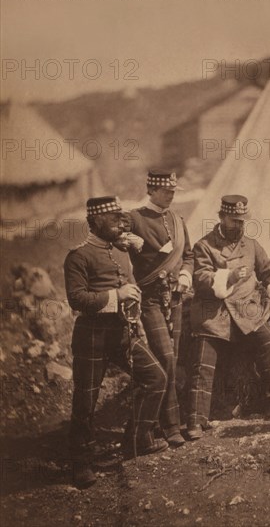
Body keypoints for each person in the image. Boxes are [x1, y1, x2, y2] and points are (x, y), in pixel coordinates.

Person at [64, 196, 168, 489]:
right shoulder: (79, 256)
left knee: (155, 377)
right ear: (94, 222)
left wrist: (132, 303)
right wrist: (116, 296)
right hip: (91, 336)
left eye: (120, 218)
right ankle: (80, 462)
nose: (120, 223)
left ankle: (137, 439)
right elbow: (76, 299)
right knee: (86, 400)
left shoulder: (121, 252)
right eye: (112, 219)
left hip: (122, 333)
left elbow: (130, 285)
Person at [187, 195, 270, 439]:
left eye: (242, 221)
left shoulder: (251, 245)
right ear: (221, 217)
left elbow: (269, 271)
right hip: (214, 315)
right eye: (234, 221)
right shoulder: (204, 246)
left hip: (249, 312)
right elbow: (200, 280)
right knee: (202, 362)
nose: (239, 226)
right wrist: (228, 277)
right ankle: (195, 421)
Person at [122, 170, 194, 447]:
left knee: (172, 358)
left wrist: (186, 274)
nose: (171, 196)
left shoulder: (177, 220)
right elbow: (109, 233)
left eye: (174, 192)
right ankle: (170, 426)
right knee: (165, 359)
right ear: (151, 190)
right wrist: (126, 239)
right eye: (166, 191)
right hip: (150, 299)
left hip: (174, 298)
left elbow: (188, 255)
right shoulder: (134, 218)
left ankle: (158, 425)